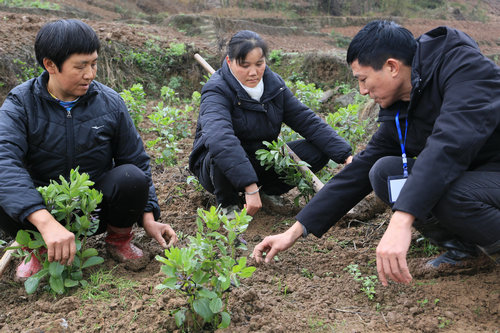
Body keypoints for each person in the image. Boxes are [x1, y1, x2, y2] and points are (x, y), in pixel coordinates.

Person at [253, 20, 500, 286]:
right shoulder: (400, 105)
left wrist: (402, 219)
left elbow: (448, 145)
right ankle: (465, 249)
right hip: (474, 178)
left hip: (491, 173)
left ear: (392, 67)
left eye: (363, 79)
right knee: (383, 172)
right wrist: (294, 230)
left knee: (444, 192)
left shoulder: (463, 69)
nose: (362, 91)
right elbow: (357, 171)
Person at [0, 19, 177, 278]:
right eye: (80, 66)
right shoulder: (21, 105)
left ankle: (119, 240)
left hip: (92, 211)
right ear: (50, 65)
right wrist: (45, 222)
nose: (90, 74)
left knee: (131, 176)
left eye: (93, 64)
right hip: (43, 211)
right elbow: (4, 160)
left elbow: (136, 159)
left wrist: (148, 216)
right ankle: (37, 250)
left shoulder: (110, 103)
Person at [189, 30, 353, 218]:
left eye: (259, 64)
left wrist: (346, 156)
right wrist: (249, 187)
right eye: (244, 65)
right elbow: (220, 138)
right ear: (229, 62)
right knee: (221, 149)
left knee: (319, 150)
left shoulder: (273, 85)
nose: (254, 72)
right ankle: (229, 205)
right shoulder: (216, 90)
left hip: (259, 158)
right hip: (217, 170)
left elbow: (306, 120)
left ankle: (266, 192)